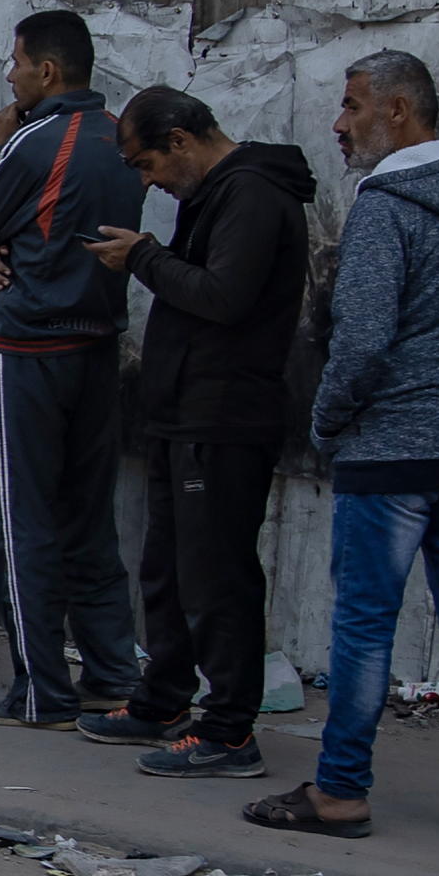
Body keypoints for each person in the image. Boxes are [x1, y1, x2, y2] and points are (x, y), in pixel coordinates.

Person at [249, 50, 439, 843]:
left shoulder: (386, 205)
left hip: (391, 450)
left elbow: (363, 340)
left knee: (364, 625)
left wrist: (328, 422)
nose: (339, 124)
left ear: (399, 112)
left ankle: (341, 789)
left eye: (351, 106)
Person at [87, 87, 311, 778]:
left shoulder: (252, 195)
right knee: (169, 566)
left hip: (224, 417)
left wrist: (145, 257)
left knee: (216, 574)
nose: (148, 180)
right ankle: (163, 697)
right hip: (183, 414)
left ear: (181, 140)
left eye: (148, 163)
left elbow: (223, 296)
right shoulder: (215, 195)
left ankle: (230, 729)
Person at [0, 9, 137, 727]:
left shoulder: (34, 139)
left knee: (18, 521)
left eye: (14, 62)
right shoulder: (118, 138)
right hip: (98, 341)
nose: (8, 75)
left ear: (46, 71)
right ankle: (112, 673)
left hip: (32, 346)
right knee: (87, 517)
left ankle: (41, 687)